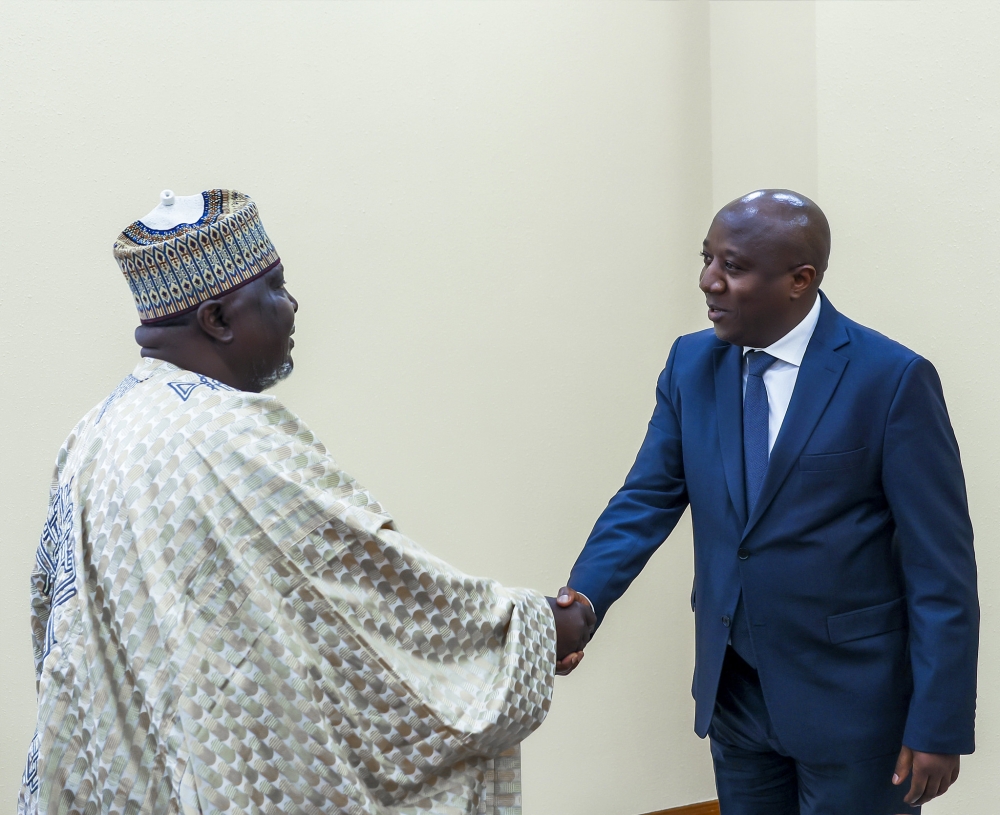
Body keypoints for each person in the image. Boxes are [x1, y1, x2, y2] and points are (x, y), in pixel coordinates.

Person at [20, 189, 594, 815]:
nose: (292, 305)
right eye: (274, 287)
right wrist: (531, 631)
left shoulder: (93, 436)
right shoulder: (231, 436)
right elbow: (368, 585)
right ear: (217, 318)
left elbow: (53, 623)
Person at [556, 190, 978, 814]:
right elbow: (645, 498)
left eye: (732, 266)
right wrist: (581, 604)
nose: (709, 281)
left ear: (799, 280)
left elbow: (940, 567)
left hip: (856, 704)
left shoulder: (890, 379)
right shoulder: (690, 364)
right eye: (706, 259)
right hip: (735, 696)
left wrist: (940, 723)